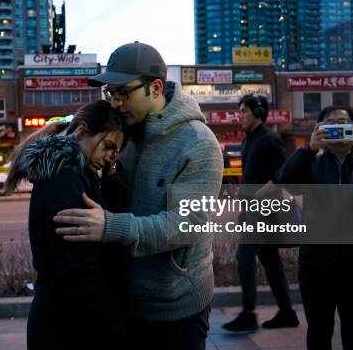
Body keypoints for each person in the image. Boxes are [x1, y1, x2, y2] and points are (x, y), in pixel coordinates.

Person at [52, 41, 224, 349]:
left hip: (177, 307)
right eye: (111, 94)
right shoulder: (124, 133)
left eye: (123, 93)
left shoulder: (198, 144)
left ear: (155, 88)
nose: (116, 103)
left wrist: (110, 226)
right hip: (124, 298)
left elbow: (186, 224)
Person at [274, 105, 353, 349]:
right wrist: (309, 150)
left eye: (342, 122)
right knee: (319, 332)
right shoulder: (312, 164)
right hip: (316, 266)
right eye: (329, 123)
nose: (336, 127)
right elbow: (284, 182)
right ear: (319, 130)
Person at [4, 100, 128, 350]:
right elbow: (77, 269)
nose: (109, 158)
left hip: (65, 319)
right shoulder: (67, 180)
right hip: (68, 326)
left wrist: (112, 172)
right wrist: (114, 331)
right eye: (108, 147)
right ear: (82, 130)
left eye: (116, 153)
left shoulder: (76, 173)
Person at [222, 95, 299, 332]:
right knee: (271, 262)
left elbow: (285, 176)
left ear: (257, 112)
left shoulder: (270, 140)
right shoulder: (249, 140)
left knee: (244, 257)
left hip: (265, 211)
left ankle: (248, 314)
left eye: (244, 111)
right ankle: (287, 313)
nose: (240, 116)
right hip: (251, 210)